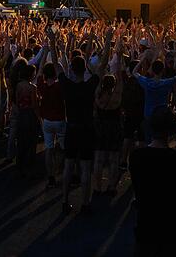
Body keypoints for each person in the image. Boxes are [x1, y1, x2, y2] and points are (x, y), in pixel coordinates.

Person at [50, 27, 109, 214]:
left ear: (72, 70)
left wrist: (52, 41)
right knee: (85, 168)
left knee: (68, 166)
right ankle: (85, 203)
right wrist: (106, 40)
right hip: (87, 129)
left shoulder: (66, 85)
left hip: (71, 128)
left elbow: (57, 63)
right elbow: (103, 63)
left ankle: (65, 201)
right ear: (85, 69)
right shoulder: (90, 86)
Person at [129, 106, 176, 257]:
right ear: (172, 132)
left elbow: (137, 191)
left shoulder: (136, 157)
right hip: (174, 231)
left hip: (146, 228)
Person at [93, 39, 124, 196]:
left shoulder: (98, 94)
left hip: (100, 126)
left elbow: (99, 72)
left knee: (98, 159)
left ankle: (97, 187)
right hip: (114, 126)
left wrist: (106, 46)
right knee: (113, 158)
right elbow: (118, 73)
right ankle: (112, 187)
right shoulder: (117, 95)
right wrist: (118, 56)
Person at [36, 45, 66, 188]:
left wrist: (45, 53)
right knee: (63, 147)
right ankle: (61, 170)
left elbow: (40, 71)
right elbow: (62, 70)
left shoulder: (41, 85)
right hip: (60, 119)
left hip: (46, 120)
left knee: (49, 148)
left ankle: (51, 176)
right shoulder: (60, 86)